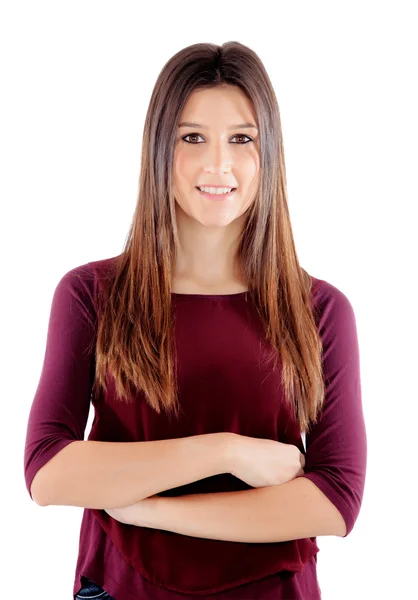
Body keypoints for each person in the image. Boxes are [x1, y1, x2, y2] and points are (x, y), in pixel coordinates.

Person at [23, 41, 367, 600]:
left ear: (269, 153)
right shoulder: (90, 295)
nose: (217, 164)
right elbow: (47, 472)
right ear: (159, 149)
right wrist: (226, 451)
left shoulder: (320, 311)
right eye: (192, 138)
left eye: (241, 139)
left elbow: (335, 502)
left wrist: (153, 511)